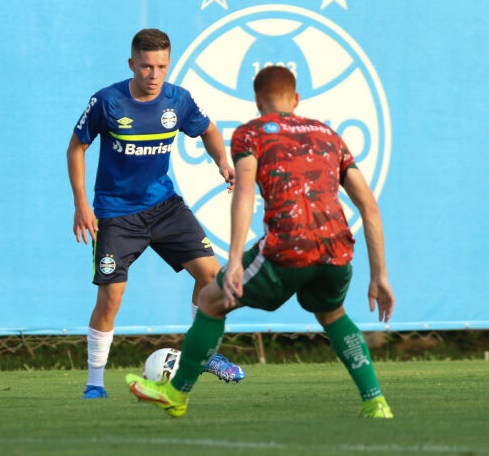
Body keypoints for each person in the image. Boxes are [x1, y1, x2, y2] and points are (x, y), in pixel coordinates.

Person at [126, 65, 395, 418]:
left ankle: (176, 394)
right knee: (333, 314)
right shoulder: (329, 135)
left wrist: (235, 260)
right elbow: (369, 207)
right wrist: (380, 276)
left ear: (256, 101)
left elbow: (243, 194)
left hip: (288, 247)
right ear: (296, 99)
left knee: (210, 300)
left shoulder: (251, 134)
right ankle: (376, 402)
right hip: (337, 251)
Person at [67, 28, 246, 399]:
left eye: (161, 67)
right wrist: (81, 204)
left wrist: (222, 162)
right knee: (111, 298)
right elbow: (76, 148)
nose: (153, 75)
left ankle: (203, 355)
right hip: (116, 214)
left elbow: (209, 130)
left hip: (164, 207)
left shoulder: (177, 100)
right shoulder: (107, 101)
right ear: (132, 64)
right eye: (146, 67)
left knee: (213, 277)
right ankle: (95, 383)